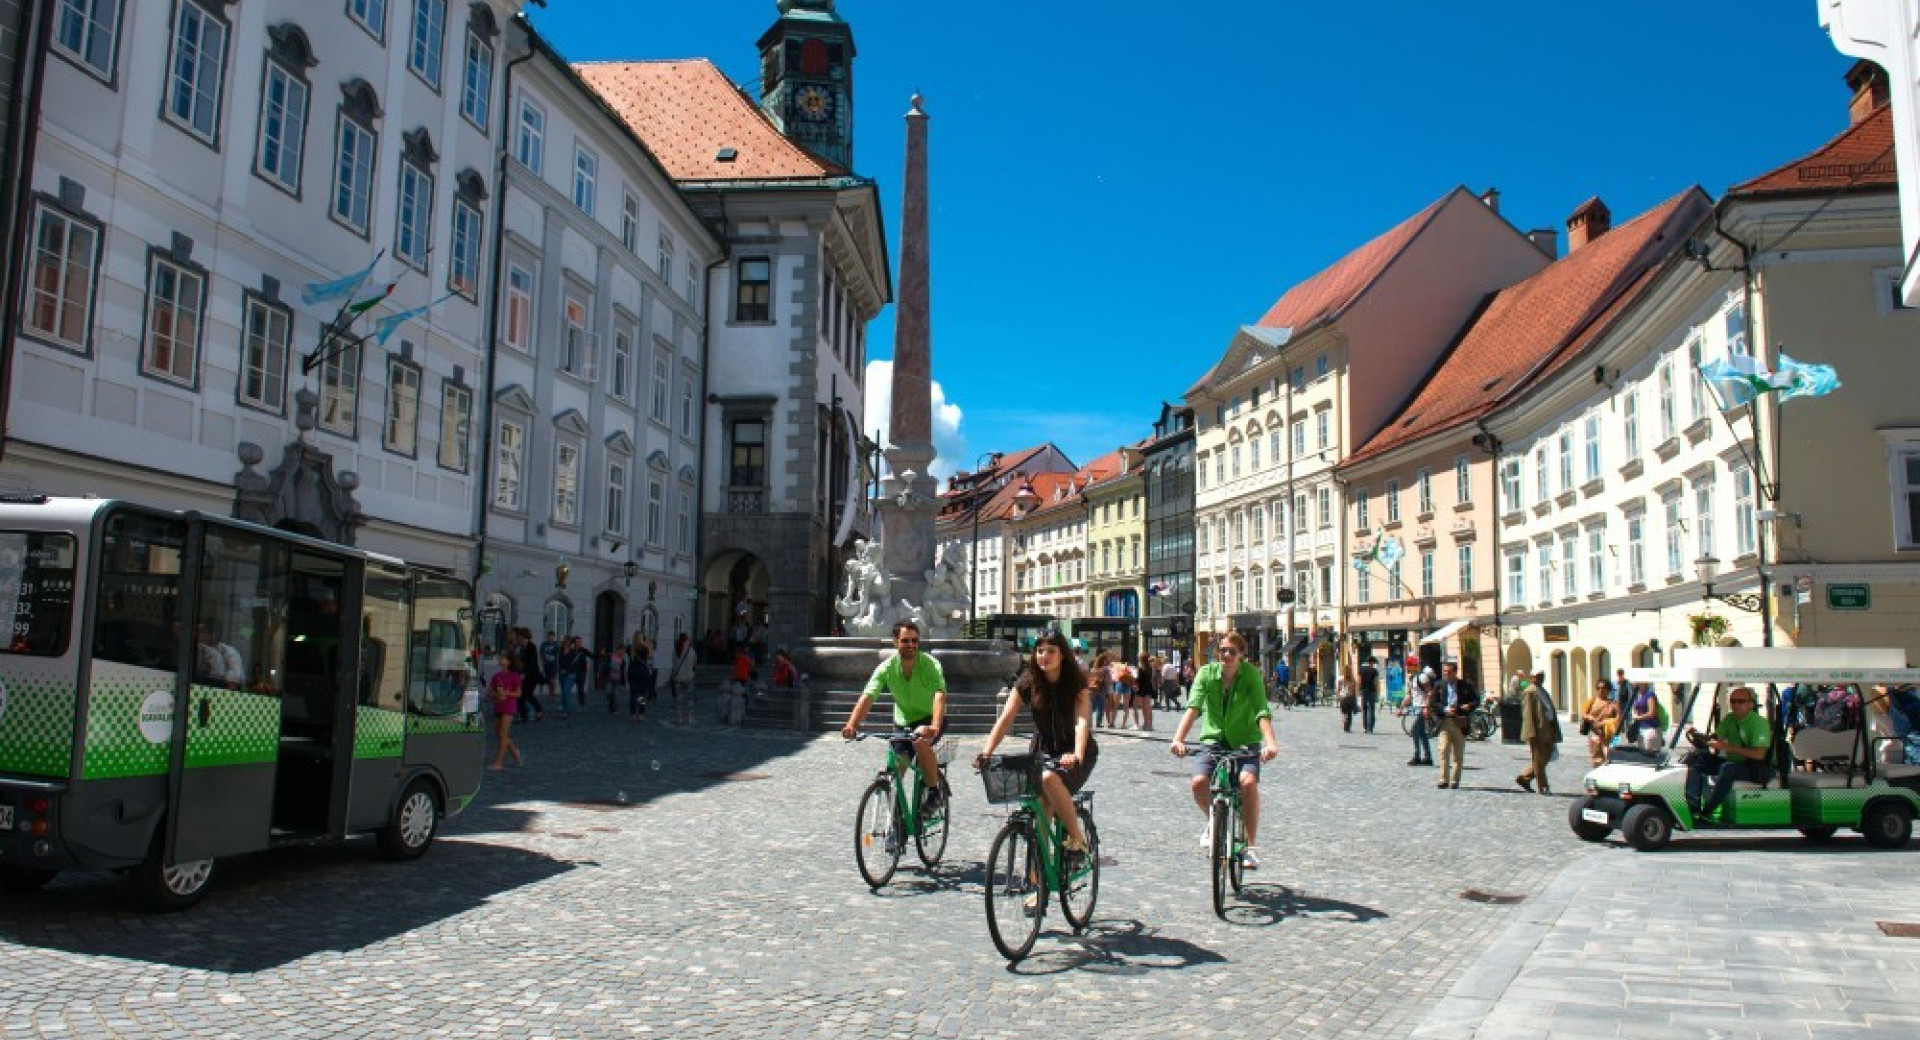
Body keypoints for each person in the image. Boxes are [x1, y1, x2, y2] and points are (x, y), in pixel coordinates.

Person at [977, 630, 1097, 867]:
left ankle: (1078, 842)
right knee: (1041, 808)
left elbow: (1082, 722)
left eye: (1051, 651)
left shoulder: (1076, 682)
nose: (1044, 656)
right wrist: (987, 751)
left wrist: (1077, 755)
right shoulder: (1028, 681)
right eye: (1040, 651)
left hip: (1074, 751)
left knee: (1050, 779)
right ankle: (1038, 878)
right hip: (1042, 749)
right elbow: (1006, 718)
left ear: (1062, 654)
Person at [1169, 631, 1279, 869]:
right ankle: (1213, 821)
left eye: (1232, 651)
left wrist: (1270, 743)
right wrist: (1178, 739)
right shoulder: (1206, 674)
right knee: (1199, 782)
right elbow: (1193, 708)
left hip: (1245, 741)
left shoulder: (1251, 676)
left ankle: (1250, 847)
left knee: (1247, 783)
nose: (1226, 655)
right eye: (1223, 651)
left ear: (1241, 654)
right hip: (1213, 741)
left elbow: (1261, 710)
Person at [842, 621, 950, 811]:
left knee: (920, 742)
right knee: (895, 776)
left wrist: (934, 726)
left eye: (915, 641)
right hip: (903, 722)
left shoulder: (930, 665)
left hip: (930, 718)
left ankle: (934, 791)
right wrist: (852, 724)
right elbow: (868, 696)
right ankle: (896, 825)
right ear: (895, 642)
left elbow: (939, 695)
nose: (911, 645)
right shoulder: (887, 668)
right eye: (905, 640)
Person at [1684, 685, 1771, 821]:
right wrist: (1699, 736)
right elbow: (1715, 738)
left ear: (1750, 704)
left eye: (1741, 701)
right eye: (1733, 701)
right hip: (1735, 763)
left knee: (1727, 768)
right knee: (1697, 760)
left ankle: (1707, 811)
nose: (1736, 705)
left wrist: (1726, 747)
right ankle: (1692, 806)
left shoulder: (1759, 723)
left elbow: (1759, 755)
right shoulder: (1730, 719)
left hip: (1756, 768)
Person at [1427, 660, 1480, 789]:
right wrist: (1444, 709)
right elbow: (1434, 702)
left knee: (1458, 753)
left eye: (1448, 672)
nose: (1446, 674)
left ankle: (1455, 780)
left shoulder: (1465, 685)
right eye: (1444, 671)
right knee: (1443, 750)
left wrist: (1468, 706)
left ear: (1455, 672)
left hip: (1459, 722)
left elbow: (1476, 700)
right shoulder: (1439, 685)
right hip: (1445, 721)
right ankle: (1443, 779)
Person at [1516, 671, 1561, 794]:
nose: (1539, 678)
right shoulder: (1529, 691)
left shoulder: (1542, 690)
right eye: (1537, 676)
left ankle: (1524, 777)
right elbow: (1528, 714)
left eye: (1541, 676)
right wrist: (1531, 733)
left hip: (1548, 728)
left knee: (1546, 757)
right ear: (1531, 677)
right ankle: (1543, 786)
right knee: (1538, 759)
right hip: (1538, 730)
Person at [485, 653, 523, 771]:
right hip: (498, 706)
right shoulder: (496, 676)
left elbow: (518, 693)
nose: (500, 659)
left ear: (509, 662)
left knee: (502, 734)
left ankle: (499, 762)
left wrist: (506, 693)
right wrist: (495, 695)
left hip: (509, 706)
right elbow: (489, 692)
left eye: (503, 658)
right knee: (499, 733)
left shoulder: (514, 676)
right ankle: (514, 750)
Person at [1581, 679, 1621, 766]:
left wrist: (1605, 723)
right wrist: (1590, 718)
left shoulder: (1613, 703)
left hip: (1608, 737)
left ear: (1608, 690)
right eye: (1598, 688)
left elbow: (1619, 718)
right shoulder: (1592, 701)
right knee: (1597, 761)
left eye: (1603, 688)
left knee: (1609, 761)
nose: (1600, 690)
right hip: (1595, 735)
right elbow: (1583, 714)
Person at [514, 628, 547, 722]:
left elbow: (532, 662)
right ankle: (523, 715)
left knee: (527, 694)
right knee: (520, 695)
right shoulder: (520, 647)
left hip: (532, 675)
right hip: (521, 674)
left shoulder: (531, 647)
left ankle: (539, 709)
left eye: (519, 636)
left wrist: (524, 672)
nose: (518, 637)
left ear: (524, 636)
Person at [1403, 667, 1434, 766]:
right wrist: (1401, 708)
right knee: (1421, 733)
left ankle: (1417, 756)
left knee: (1414, 730)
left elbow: (1430, 692)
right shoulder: (1412, 679)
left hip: (1422, 707)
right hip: (1415, 708)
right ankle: (1428, 757)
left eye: (1410, 666)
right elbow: (1410, 696)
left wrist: (1426, 706)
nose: (1407, 668)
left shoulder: (1422, 677)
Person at [669, 633, 698, 726]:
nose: (689, 641)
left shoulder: (676, 650)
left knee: (679, 698)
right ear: (686, 640)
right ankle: (689, 718)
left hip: (678, 678)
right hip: (689, 677)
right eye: (688, 639)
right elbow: (694, 664)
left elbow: (673, 664)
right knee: (689, 698)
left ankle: (680, 718)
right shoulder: (691, 651)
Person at [558, 635, 590, 719]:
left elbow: (574, 665)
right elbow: (559, 662)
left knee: (566, 692)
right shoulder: (560, 650)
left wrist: (566, 670)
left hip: (570, 675)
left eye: (567, 642)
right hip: (562, 675)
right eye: (564, 642)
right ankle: (566, 707)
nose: (565, 643)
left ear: (570, 643)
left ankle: (565, 711)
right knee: (564, 693)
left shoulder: (573, 652)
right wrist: (561, 669)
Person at [627, 640, 656, 721]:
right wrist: (649, 646)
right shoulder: (644, 648)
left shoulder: (631, 647)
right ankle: (640, 714)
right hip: (642, 672)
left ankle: (632, 714)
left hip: (632, 672)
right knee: (641, 694)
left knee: (633, 694)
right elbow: (650, 657)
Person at [1628, 682, 1661, 751]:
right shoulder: (1638, 696)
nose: (1635, 685)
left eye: (1639, 684)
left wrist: (1638, 717)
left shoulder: (1650, 695)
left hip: (1651, 727)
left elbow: (1651, 713)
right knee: (1642, 753)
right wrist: (1634, 713)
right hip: (1641, 728)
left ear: (1644, 684)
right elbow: (1636, 709)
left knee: (1650, 753)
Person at [1133, 652, 1157, 731]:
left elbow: (1138, 679)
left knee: (1137, 707)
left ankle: (1141, 724)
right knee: (1147, 707)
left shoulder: (1140, 668)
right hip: (1148, 688)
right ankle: (1149, 725)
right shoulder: (1149, 667)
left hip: (1141, 689)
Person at [1358, 656, 1381, 734]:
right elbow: (1376, 682)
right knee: (1371, 709)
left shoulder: (1361, 670)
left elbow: (1359, 681)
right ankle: (1370, 728)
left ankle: (1365, 727)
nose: (1374, 664)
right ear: (1371, 662)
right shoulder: (1374, 671)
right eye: (1374, 663)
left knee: (1364, 709)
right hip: (1372, 691)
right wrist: (1378, 692)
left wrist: (1358, 691)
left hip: (1364, 691)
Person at [1337, 665, 1358, 733]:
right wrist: (1355, 700)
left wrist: (1339, 697)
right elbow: (1354, 690)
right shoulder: (1352, 679)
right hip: (1350, 698)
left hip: (1343, 698)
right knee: (1349, 713)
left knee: (1344, 713)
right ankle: (1347, 727)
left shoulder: (1340, 679)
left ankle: (1345, 726)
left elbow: (1338, 690)